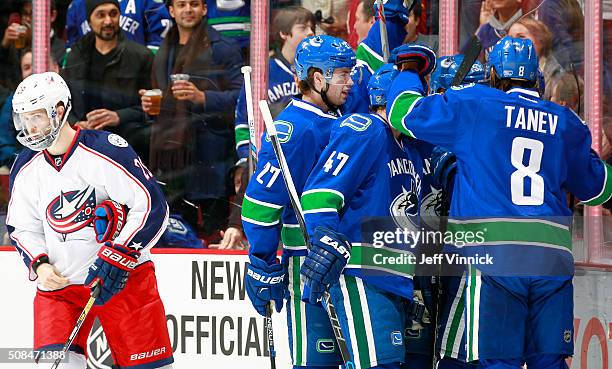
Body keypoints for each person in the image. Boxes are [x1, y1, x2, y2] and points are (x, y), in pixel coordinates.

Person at [386, 36, 612, 369]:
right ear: (538, 78)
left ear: (492, 75)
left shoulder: (477, 104)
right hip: (551, 257)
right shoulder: (566, 122)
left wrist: (409, 69)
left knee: (498, 361)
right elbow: (599, 189)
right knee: (549, 362)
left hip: (496, 255)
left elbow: (402, 112)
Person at [7, 71, 173, 369]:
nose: (30, 128)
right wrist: (40, 264)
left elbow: (151, 206)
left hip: (124, 281)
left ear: (58, 111)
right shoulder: (25, 165)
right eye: (24, 120)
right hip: (60, 291)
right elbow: (21, 226)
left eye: (36, 117)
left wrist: (120, 255)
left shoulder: (105, 149)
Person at [299, 63, 427, 369]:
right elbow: (319, 194)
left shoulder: (407, 147)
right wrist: (325, 237)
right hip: (362, 273)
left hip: (394, 277)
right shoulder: (367, 130)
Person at [242, 35, 355, 368]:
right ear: (317, 78)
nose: (349, 83)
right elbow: (261, 204)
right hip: (307, 262)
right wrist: (262, 261)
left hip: (345, 260)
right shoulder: (295, 129)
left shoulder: (340, 120)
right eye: (342, 74)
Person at [140, 0, 243, 242]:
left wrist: (202, 97)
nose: (188, 9)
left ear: (205, 9)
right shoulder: (162, 51)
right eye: (181, 4)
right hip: (172, 162)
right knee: (175, 234)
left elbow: (243, 97)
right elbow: (159, 99)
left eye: (194, 4)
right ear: (171, 11)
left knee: (214, 233)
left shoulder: (223, 48)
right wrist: (148, 108)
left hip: (211, 157)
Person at [218, 6, 315, 249]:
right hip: (269, 159)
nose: (311, 33)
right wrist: (245, 159)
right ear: (284, 34)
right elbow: (244, 119)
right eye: (303, 28)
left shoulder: (315, 72)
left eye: (313, 27)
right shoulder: (264, 72)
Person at [62, 0, 154, 161]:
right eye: (100, 15)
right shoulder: (75, 56)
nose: (108, 21)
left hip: (127, 146)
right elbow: (62, 102)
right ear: (89, 21)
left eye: (113, 14)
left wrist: (119, 116)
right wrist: (76, 123)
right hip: (81, 144)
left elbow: (151, 109)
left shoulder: (141, 56)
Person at [65, 0, 172, 53]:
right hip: (92, 80)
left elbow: (158, 44)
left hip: (133, 77)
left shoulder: (147, 1)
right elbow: (73, 49)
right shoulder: (77, 4)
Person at [508, 17, 564, 100]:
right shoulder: (502, 73)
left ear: (541, 41)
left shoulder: (558, 76)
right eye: (510, 38)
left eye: (521, 37)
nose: (514, 43)